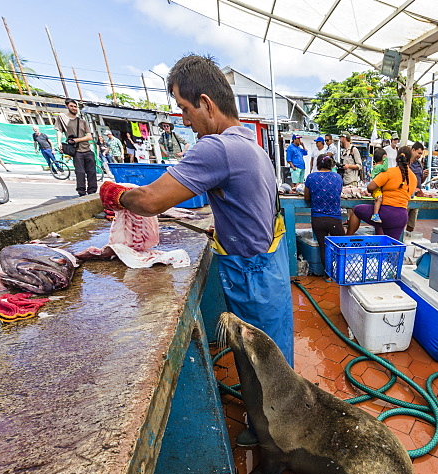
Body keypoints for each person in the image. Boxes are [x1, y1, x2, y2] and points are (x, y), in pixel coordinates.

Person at [101, 55, 294, 446]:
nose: (184, 120)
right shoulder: (251, 145)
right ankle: (282, 420)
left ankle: (274, 438)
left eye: (185, 110)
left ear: (206, 103)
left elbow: (152, 200)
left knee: (258, 358)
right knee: (275, 353)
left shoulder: (216, 148)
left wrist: (115, 194)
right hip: (269, 263)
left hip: (250, 271)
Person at [346, 145, 415, 240]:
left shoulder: (389, 172)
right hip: (401, 216)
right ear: (410, 160)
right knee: (391, 247)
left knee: (357, 210)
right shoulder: (414, 178)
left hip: (386, 214)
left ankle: (346, 239)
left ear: (397, 158)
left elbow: (370, 187)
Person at [56, 99, 97, 196]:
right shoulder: (62, 118)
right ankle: (81, 192)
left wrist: (76, 140)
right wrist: (59, 143)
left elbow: (90, 137)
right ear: (67, 106)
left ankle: (92, 192)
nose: (74, 108)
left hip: (87, 150)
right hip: (77, 151)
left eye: (75, 106)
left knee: (91, 172)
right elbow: (59, 131)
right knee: (80, 172)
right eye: (72, 106)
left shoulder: (82, 121)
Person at [303, 155, 345, 246]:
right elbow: (338, 193)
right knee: (341, 248)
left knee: (323, 248)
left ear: (317, 165)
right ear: (330, 165)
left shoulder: (311, 177)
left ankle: (325, 261)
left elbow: (306, 198)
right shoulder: (338, 177)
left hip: (317, 219)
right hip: (335, 219)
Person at [405, 142, 427, 232]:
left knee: (412, 223)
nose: (420, 156)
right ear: (413, 150)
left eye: (421, 154)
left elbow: (420, 181)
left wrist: (424, 176)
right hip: (406, 196)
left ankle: (408, 236)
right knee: (401, 220)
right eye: (419, 153)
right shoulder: (404, 162)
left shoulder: (419, 164)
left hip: (416, 197)